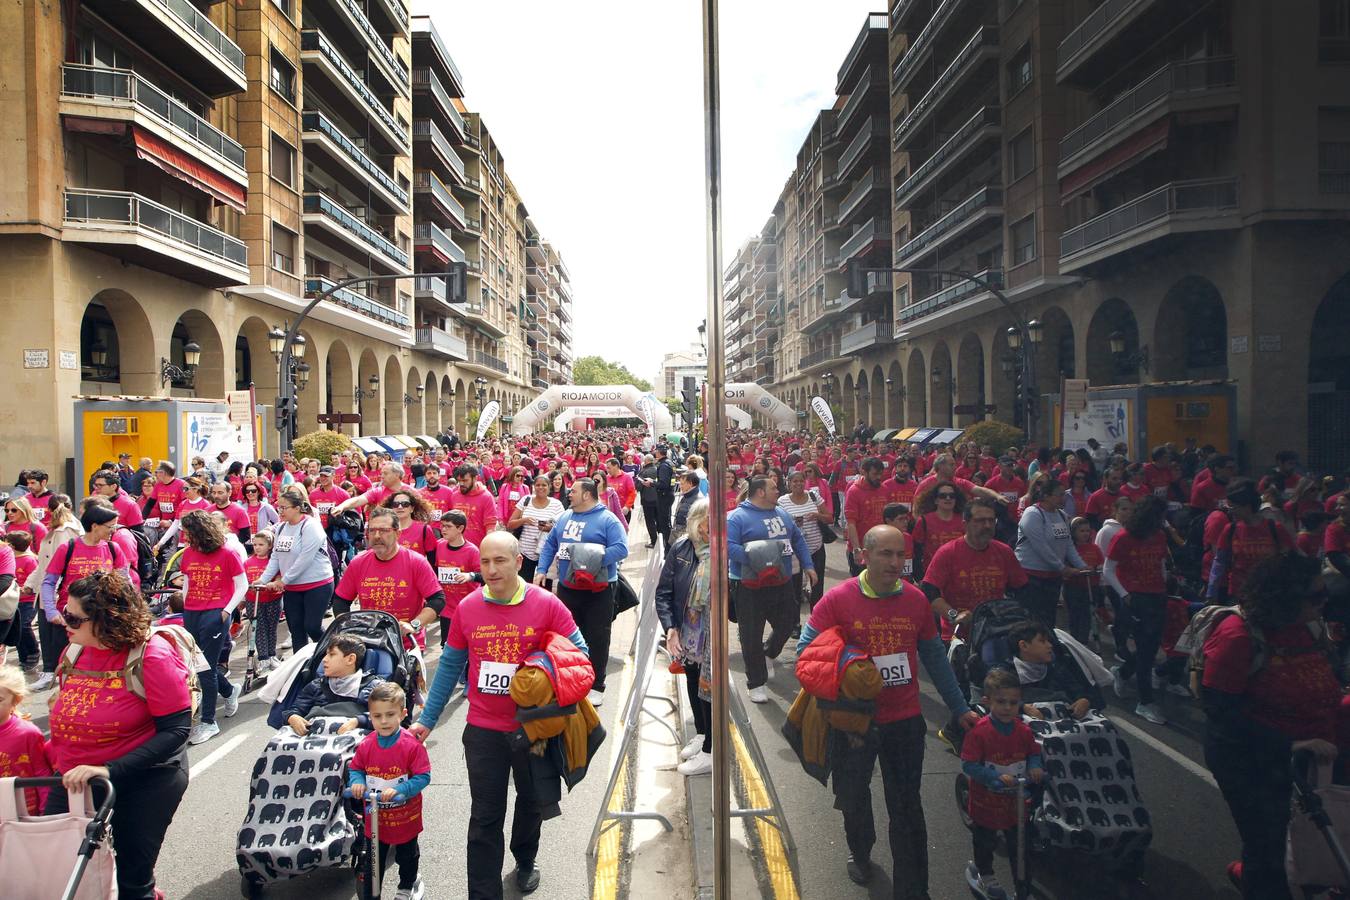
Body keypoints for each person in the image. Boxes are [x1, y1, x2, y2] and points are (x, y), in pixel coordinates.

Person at [797, 525, 978, 893]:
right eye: (886, 554)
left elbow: (934, 658)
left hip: (905, 721)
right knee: (853, 796)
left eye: (901, 555)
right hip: (853, 722)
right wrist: (850, 665)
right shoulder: (838, 600)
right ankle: (860, 853)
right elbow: (805, 650)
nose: (895, 562)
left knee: (908, 808)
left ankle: (913, 890)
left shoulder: (915, 601)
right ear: (864, 555)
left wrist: (959, 708)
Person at [412, 532, 589, 899]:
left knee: (531, 804)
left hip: (533, 729)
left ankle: (525, 859)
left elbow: (580, 652)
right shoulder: (469, 607)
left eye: (500, 561)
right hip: (483, 730)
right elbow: (449, 666)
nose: (491, 570)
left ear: (518, 562)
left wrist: (539, 671)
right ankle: (482, 893)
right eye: (485, 562)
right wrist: (427, 720)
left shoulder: (546, 604)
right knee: (484, 818)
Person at [1201, 553, 1341, 900]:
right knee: (1267, 848)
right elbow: (1221, 713)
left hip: (1313, 757)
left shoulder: (1309, 626)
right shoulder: (1238, 635)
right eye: (1315, 597)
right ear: (1285, 596)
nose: (1324, 603)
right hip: (1253, 762)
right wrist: (1290, 744)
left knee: (1309, 839)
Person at [46, 570, 191, 900]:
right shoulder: (75, 649)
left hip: (144, 781)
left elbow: (176, 731)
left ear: (106, 621)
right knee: (59, 872)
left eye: (73, 617)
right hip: (73, 779)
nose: (63, 621)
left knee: (130, 882)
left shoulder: (152, 656)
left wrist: (109, 769)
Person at [535, 477, 629, 705]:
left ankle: (597, 684)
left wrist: (589, 560)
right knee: (567, 636)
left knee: (597, 637)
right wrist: (541, 569)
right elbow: (550, 545)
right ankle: (572, 678)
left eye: (574, 491)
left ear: (587, 494)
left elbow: (621, 548)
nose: (569, 493)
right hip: (568, 588)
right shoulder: (565, 517)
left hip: (600, 589)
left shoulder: (608, 519)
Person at [727, 474, 816, 704]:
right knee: (751, 634)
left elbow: (797, 540)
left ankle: (769, 653)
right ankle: (755, 682)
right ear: (760, 492)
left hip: (781, 582)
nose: (779, 490)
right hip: (748, 585)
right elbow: (727, 547)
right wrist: (757, 557)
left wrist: (808, 565)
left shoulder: (782, 514)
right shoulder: (736, 518)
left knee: (788, 623)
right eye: (774, 488)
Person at [960, 668, 1044, 900]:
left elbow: (1033, 752)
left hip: (1015, 804)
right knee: (985, 841)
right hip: (986, 802)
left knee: (1020, 846)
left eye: (1013, 702)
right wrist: (992, 778)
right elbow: (968, 765)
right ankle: (985, 874)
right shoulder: (980, 733)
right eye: (1001, 702)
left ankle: (1023, 884)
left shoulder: (1024, 732)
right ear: (987, 701)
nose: (1008, 707)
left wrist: (1035, 766)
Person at [349, 682, 431, 900]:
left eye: (390, 714)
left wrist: (402, 789)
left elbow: (423, 776)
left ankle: (408, 884)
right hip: (375, 819)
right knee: (372, 861)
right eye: (377, 716)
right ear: (371, 716)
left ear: (403, 714)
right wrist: (357, 782)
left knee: (407, 855)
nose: (383, 721)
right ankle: (371, 894)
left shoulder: (411, 745)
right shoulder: (367, 745)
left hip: (405, 816)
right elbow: (355, 768)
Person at [39, 504, 131, 687]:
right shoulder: (68, 548)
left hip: (102, 620)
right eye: (110, 526)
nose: (113, 530)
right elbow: (49, 582)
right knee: (68, 667)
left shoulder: (113, 549)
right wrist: (50, 611)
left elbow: (125, 583)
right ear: (95, 525)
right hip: (70, 620)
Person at [177, 510, 245, 744]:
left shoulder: (228, 553)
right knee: (198, 665)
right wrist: (186, 607)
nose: (184, 536)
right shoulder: (188, 553)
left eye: (187, 532)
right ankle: (228, 691)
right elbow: (186, 581)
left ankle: (208, 721)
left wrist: (226, 611)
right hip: (193, 613)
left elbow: (242, 584)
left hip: (215, 614)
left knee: (205, 667)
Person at [1103, 495, 1172, 725]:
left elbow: (1161, 564)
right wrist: (1125, 595)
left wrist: (1164, 587)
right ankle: (1145, 701)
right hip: (1134, 599)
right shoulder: (1124, 538)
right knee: (1145, 648)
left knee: (1150, 648)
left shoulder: (1160, 536)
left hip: (1157, 596)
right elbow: (1108, 570)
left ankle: (1122, 673)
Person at [333, 508, 444, 649]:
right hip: (369, 642)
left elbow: (437, 600)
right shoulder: (358, 562)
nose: (377, 536)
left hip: (407, 644)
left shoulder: (416, 562)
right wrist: (347, 628)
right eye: (372, 531)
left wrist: (414, 625)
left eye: (384, 530)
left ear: (398, 533)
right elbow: (341, 600)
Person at [921, 498, 1028, 644]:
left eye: (991, 520)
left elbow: (1021, 589)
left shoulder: (1004, 552)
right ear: (966, 524)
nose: (987, 525)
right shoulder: (948, 552)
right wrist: (954, 615)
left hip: (997, 632)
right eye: (980, 520)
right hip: (959, 636)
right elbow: (929, 591)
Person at [657, 499, 713, 775]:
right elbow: (664, 592)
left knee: (709, 687)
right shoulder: (681, 548)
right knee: (693, 677)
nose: (710, 528)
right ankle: (702, 735)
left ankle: (712, 750)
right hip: (688, 630)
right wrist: (671, 627)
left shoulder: (723, 551)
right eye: (706, 521)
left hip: (712, 632)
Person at [252, 486, 334, 653]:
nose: (280, 511)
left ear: (297, 508)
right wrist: (263, 579)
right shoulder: (281, 527)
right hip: (292, 588)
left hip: (317, 584)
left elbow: (305, 558)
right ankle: (299, 666)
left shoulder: (311, 526)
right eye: (278, 507)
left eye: (284, 508)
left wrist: (283, 581)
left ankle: (331, 651)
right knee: (296, 630)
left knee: (312, 626)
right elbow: (276, 556)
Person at [1014, 478, 1088, 628]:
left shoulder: (1061, 515)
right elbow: (1041, 547)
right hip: (1032, 577)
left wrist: (1082, 566)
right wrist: (1063, 568)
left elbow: (1068, 543)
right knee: (1033, 620)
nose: (1063, 498)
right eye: (1059, 495)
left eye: (1064, 495)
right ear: (1046, 496)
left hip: (1052, 578)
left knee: (1049, 619)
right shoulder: (1033, 514)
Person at [282, 635, 385, 735]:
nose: (324, 659)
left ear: (350, 659)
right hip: (315, 739)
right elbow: (296, 709)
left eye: (331, 654)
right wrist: (292, 717)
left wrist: (359, 721)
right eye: (325, 654)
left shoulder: (374, 688)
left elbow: (389, 716)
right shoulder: (316, 685)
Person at [0, 667, 52, 813]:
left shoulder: (27, 733)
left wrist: (45, 810)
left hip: (22, 813)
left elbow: (41, 773)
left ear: (16, 700)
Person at [779, 470, 831, 611]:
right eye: (795, 481)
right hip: (794, 552)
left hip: (816, 547)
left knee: (817, 583)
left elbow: (829, 517)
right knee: (794, 586)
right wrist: (792, 523)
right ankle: (795, 622)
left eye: (801, 480)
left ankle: (817, 614)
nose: (798, 484)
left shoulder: (814, 496)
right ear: (789, 483)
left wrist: (817, 515)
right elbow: (779, 524)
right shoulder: (782, 501)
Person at [433, 510, 482, 648]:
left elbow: (484, 576)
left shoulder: (472, 551)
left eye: (448, 526)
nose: (443, 529)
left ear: (460, 528)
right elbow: (434, 570)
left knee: (466, 646)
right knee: (446, 645)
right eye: (442, 525)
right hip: (446, 608)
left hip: (466, 607)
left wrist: (469, 576)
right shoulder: (439, 546)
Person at [506, 476, 564, 584]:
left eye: (544, 485)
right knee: (523, 585)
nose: (540, 488)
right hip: (525, 552)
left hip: (546, 553)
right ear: (533, 487)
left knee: (544, 587)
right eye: (537, 485)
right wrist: (524, 520)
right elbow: (510, 525)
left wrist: (549, 528)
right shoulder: (526, 500)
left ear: (549, 487)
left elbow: (562, 529)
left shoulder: (556, 505)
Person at [243, 532, 283, 673]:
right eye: (255, 545)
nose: (257, 548)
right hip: (253, 601)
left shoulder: (274, 562)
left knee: (271, 628)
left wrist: (273, 584)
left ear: (270, 545)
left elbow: (279, 579)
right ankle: (263, 658)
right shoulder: (247, 562)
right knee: (258, 628)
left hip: (273, 600)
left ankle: (272, 655)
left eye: (261, 544)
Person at [1062, 518, 1105, 645]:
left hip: (1091, 587)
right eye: (1081, 531)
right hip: (1073, 587)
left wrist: (1096, 568)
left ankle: (1084, 640)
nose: (1085, 534)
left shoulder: (1094, 548)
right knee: (1075, 614)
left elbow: (1101, 563)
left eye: (1087, 531)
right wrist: (1074, 571)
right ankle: (1074, 640)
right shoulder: (1069, 549)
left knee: (1087, 615)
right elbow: (1064, 567)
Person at [652, 446, 676, 549]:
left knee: (664, 523)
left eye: (656, 451)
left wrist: (652, 483)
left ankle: (668, 548)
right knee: (666, 522)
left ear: (659, 453)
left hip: (664, 496)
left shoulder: (664, 465)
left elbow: (663, 484)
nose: (654, 453)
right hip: (668, 494)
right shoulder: (669, 463)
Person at [636, 454, 661, 548]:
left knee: (650, 521)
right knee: (659, 519)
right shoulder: (658, 469)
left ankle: (654, 541)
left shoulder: (643, 472)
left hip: (647, 499)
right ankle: (661, 539)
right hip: (658, 499)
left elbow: (638, 486)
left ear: (646, 461)